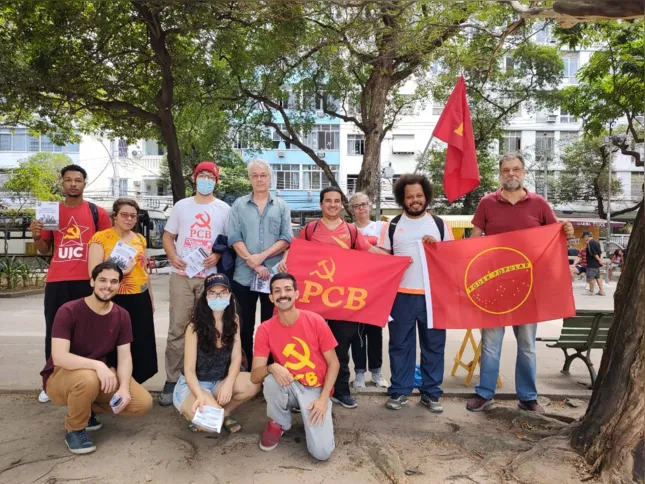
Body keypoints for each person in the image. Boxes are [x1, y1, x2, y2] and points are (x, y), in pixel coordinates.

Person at [466, 153, 574, 414]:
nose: (511, 174)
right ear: (500, 174)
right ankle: (485, 393)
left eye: (516, 169)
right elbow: (475, 240)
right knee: (491, 344)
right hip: (493, 287)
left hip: (528, 288)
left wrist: (567, 229)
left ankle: (527, 396)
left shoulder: (539, 204)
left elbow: (556, 234)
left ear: (524, 172)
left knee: (526, 345)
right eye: (506, 170)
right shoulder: (486, 203)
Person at [278, 187, 387, 409]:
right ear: (321, 204)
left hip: (341, 302)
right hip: (313, 300)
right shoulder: (310, 230)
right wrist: (285, 260)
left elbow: (369, 251)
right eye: (328, 201)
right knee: (309, 346)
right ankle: (305, 391)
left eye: (337, 201)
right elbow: (295, 250)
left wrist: (397, 260)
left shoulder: (351, 231)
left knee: (339, 347)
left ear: (341, 205)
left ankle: (341, 391)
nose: (333, 205)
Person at [40, 261, 153, 455]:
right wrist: (98, 366)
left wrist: (124, 387)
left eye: (113, 281)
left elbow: (125, 357)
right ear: (92, 282)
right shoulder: (69, 310)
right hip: (60, 377)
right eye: (102, 280)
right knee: (88, 378)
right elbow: (59, 357)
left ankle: (86, 410)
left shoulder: (122, 315)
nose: (107, 286)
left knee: (142, 403)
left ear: (119, 285)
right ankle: (74, 429)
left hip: (95, 378)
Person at [29, 164, 112, 403]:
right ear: (62, 183)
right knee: (54, 331)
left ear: (85, 184)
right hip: (57, 280)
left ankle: (92, 379)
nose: (73, 184)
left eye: (78, 180)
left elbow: (107, 246)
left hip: (87, 281)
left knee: (89, 333)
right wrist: (36, 236)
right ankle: (51, 381)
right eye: (68, 180)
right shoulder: (50, 211)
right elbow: (45, 249)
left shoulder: (97, 212)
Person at [159, 161, 231, 406]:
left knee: (210, 328)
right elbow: (168, 236)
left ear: (216, 181)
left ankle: (204, 378)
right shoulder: (182, 206)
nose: (206, 179)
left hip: (210, 279)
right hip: (182, 276)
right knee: (177, 327)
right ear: (194, 177)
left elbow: (227, 241)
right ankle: (172, 379)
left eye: (210, 176)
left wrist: (218, 255)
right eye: (202, 175)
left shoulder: (224, 209)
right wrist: (172, 256)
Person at [379, 175, 453, 413]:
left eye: (419, 195)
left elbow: (453, 261)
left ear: (426, 196)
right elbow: (380, 260)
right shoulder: (391, 225)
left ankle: (431, 394)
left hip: (434, 297)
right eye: (410, 196)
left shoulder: (440, 225)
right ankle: (400, 391)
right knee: (400, 345)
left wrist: (437, 249)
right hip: (400, 296)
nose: (415, 200)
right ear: (403, 198)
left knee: (434, 345)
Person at [251, 273, 340, 461]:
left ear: (297, 294)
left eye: (287, 289)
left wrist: (323, 399)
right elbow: (255, 376)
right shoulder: (265, 329)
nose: (283, 294)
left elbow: (334, 363)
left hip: (316, 389)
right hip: (289, 385)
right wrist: (271, 367)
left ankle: (323, 411)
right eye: (277, 291)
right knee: (270, 380)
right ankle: (279, 423)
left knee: (322, 453)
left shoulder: (315, 321)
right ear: (271, 297)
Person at [173, 273, 260, 433]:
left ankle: (225, 412)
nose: (218, 297)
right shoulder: (194, 328)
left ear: (229, 295)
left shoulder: (233, 321)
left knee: (253, 383)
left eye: (223, 292)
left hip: (219, 381)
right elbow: (189, 370)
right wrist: (199, 395)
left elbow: (236, 357)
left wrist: (228, 383)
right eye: (212, 293)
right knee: (211, 425)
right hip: (195, 385)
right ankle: (196, 411)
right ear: (205, 296)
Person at [228, 159, 293, 367]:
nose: (259, 179)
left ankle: (271, 367)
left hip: (273, 279)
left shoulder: (282, 206)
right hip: (244, 276)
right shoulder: (239, 205)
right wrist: (253, 263)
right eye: (255, 175)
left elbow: (286, 238)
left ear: (270, 178)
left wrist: (261, 257)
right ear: (249, 179)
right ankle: (246, 369)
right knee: (243, 326)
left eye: (263, 175)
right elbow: (234, 237)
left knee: (272, 325)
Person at [88, 198, 157, 384]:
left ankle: (134, 384)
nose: (129, 219)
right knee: (112, 342)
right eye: (124, 215)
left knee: (140, 342)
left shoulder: (139, 239)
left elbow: (144, 272)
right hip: (113, 297)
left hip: (139, 297)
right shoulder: (100, 238)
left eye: (133, 216)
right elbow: (93, 272)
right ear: (115, 216)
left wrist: (150, 298)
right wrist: (121, 273)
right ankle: (110, 383)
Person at [348, 192, 388, 389]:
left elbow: (389, 253)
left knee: (375, 332)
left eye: (364, 204)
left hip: (376, 289)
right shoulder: (346, 230)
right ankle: (359, 373)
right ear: (351, 209)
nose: (361, 208)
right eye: (356, 206)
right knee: (357, 333)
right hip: (353, 288)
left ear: (370, 206)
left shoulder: (381, 227)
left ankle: (377, 372)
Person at [582, 231, 606, 296]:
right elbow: (600, 253)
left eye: (584, 237)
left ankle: (591, 291)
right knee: (597, 277)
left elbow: (594, 254)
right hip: (597, 265)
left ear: (586, 236)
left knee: (590, 277)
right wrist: (600, 260)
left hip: (591, 264)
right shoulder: (596, 242)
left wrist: (600, 261)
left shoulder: (589, 243)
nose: (584, 239)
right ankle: (601, 290)